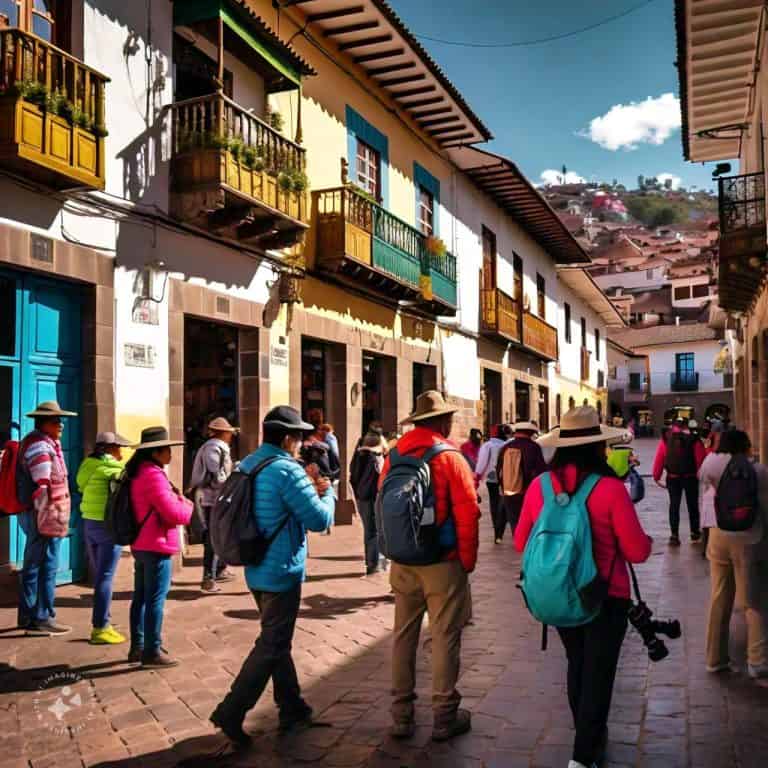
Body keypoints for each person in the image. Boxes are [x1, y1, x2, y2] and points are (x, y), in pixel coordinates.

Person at [515, 407, 652, 768]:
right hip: (606, 597)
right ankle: (582, 756)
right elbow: (637, 552)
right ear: (598, 447)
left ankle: (588, 740)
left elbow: (519, 542)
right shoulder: (610, 489)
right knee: (599, 675)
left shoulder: (539, 487)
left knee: (578, 665)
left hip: (560, 593)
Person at [210, 406, 335, 746]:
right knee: (272, 644)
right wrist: (330, 493)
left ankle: (292, 705)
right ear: (287, 438)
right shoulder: (287, 471)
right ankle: (231, 711)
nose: (300, 444)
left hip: (256, 565)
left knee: (277, 639)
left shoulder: (249, 463)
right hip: (282, 570)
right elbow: (319, 520)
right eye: (298, 437)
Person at [379, 390, 479, 742]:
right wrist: (466, 561)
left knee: (403, 636)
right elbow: (468, 511)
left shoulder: (394, 454)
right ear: (442, 421)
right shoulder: (450, 457)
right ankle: (443, 715)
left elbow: (384, 505)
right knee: (444, 637)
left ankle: (402, 716)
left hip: (403, 561)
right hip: (442, 561)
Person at [698, 430, 768, 679]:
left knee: (719, 596)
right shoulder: (758, 471)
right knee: (754, 600)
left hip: (719, 534)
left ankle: (715, 658)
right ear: (745, 446)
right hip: (749, 539)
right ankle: (757, 660)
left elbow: (705, 486)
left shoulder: (710, 463)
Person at [127, 426, 193, 668]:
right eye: (167, 449)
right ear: (155, 452)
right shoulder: (153, 476)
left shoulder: (138, 472)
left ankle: (138, 646)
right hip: (155, 544)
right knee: (155, 599)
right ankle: (152, 650)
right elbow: (174, 513)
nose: (171, 454)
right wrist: (187, 504)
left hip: (142, 543)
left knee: (141, 598)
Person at [16, 401, 78, 636]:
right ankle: (41, 617)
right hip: (44, 515)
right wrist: (48, 520)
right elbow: (42, 486)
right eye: (55, 421)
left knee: (34, 564)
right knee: (45, 564)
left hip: (39, 514)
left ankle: (28, 616)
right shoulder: (41, 447)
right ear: (44, 424)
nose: (60, 424)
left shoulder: (40, 443)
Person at [76, 431, 134, 644]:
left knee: (99, 575)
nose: (121, 452)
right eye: (119, 447)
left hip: (89, 523)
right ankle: (100, 627)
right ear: (110, 449)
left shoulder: (86, 465)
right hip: (108, 526)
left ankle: (102, 622)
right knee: (105, 577)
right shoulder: (115, 468)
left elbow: (81, 486)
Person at [188, 417, 239, 592]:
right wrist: (230, 483)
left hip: (216, 498)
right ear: (222, 433)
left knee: (219, 535)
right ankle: (208, 576)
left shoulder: (216, 447)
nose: (231, 435)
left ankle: (218, 570)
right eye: (229, 432)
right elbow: (216, 475)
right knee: (213, 537)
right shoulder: (213, 447)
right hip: (213, 499)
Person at [653, 417, 705, 546]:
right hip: (690, 477)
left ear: (673, 426)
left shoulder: (666, 439)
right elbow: (701, 460)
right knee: (692, 505)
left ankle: (674, 536)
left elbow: (660, 458)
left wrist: (656, 476)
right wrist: (702, 477)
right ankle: (694, 532)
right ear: (687, 425)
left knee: (674, 506)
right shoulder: (694, 439)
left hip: (673, 477)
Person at [495, 421, 546, 538]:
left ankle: (518, 542)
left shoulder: (505, 447)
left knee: (515, 522)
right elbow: (541, 471)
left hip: (509, 491)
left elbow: (498, 470)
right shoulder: (534, 447)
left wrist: (504, 487)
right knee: (531, 523)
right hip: (528, 492)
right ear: (530, 433)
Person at [349, 431, 387, 575]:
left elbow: (352, 477)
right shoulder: (375, 458)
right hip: (373, 497)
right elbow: (381, 478)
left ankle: (370, 562)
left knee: (368, 530)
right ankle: (374, 564)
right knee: (375, 531)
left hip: (362, 497)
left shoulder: (358, 455)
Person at [474, 424, 512, 545]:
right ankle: (501, 529)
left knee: (494, 503)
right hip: (505, 477)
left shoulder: (488, 445)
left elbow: (482, 462)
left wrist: (478, 476)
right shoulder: (508, 444)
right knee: (504, 502)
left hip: (491, 478)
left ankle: (497, 531)